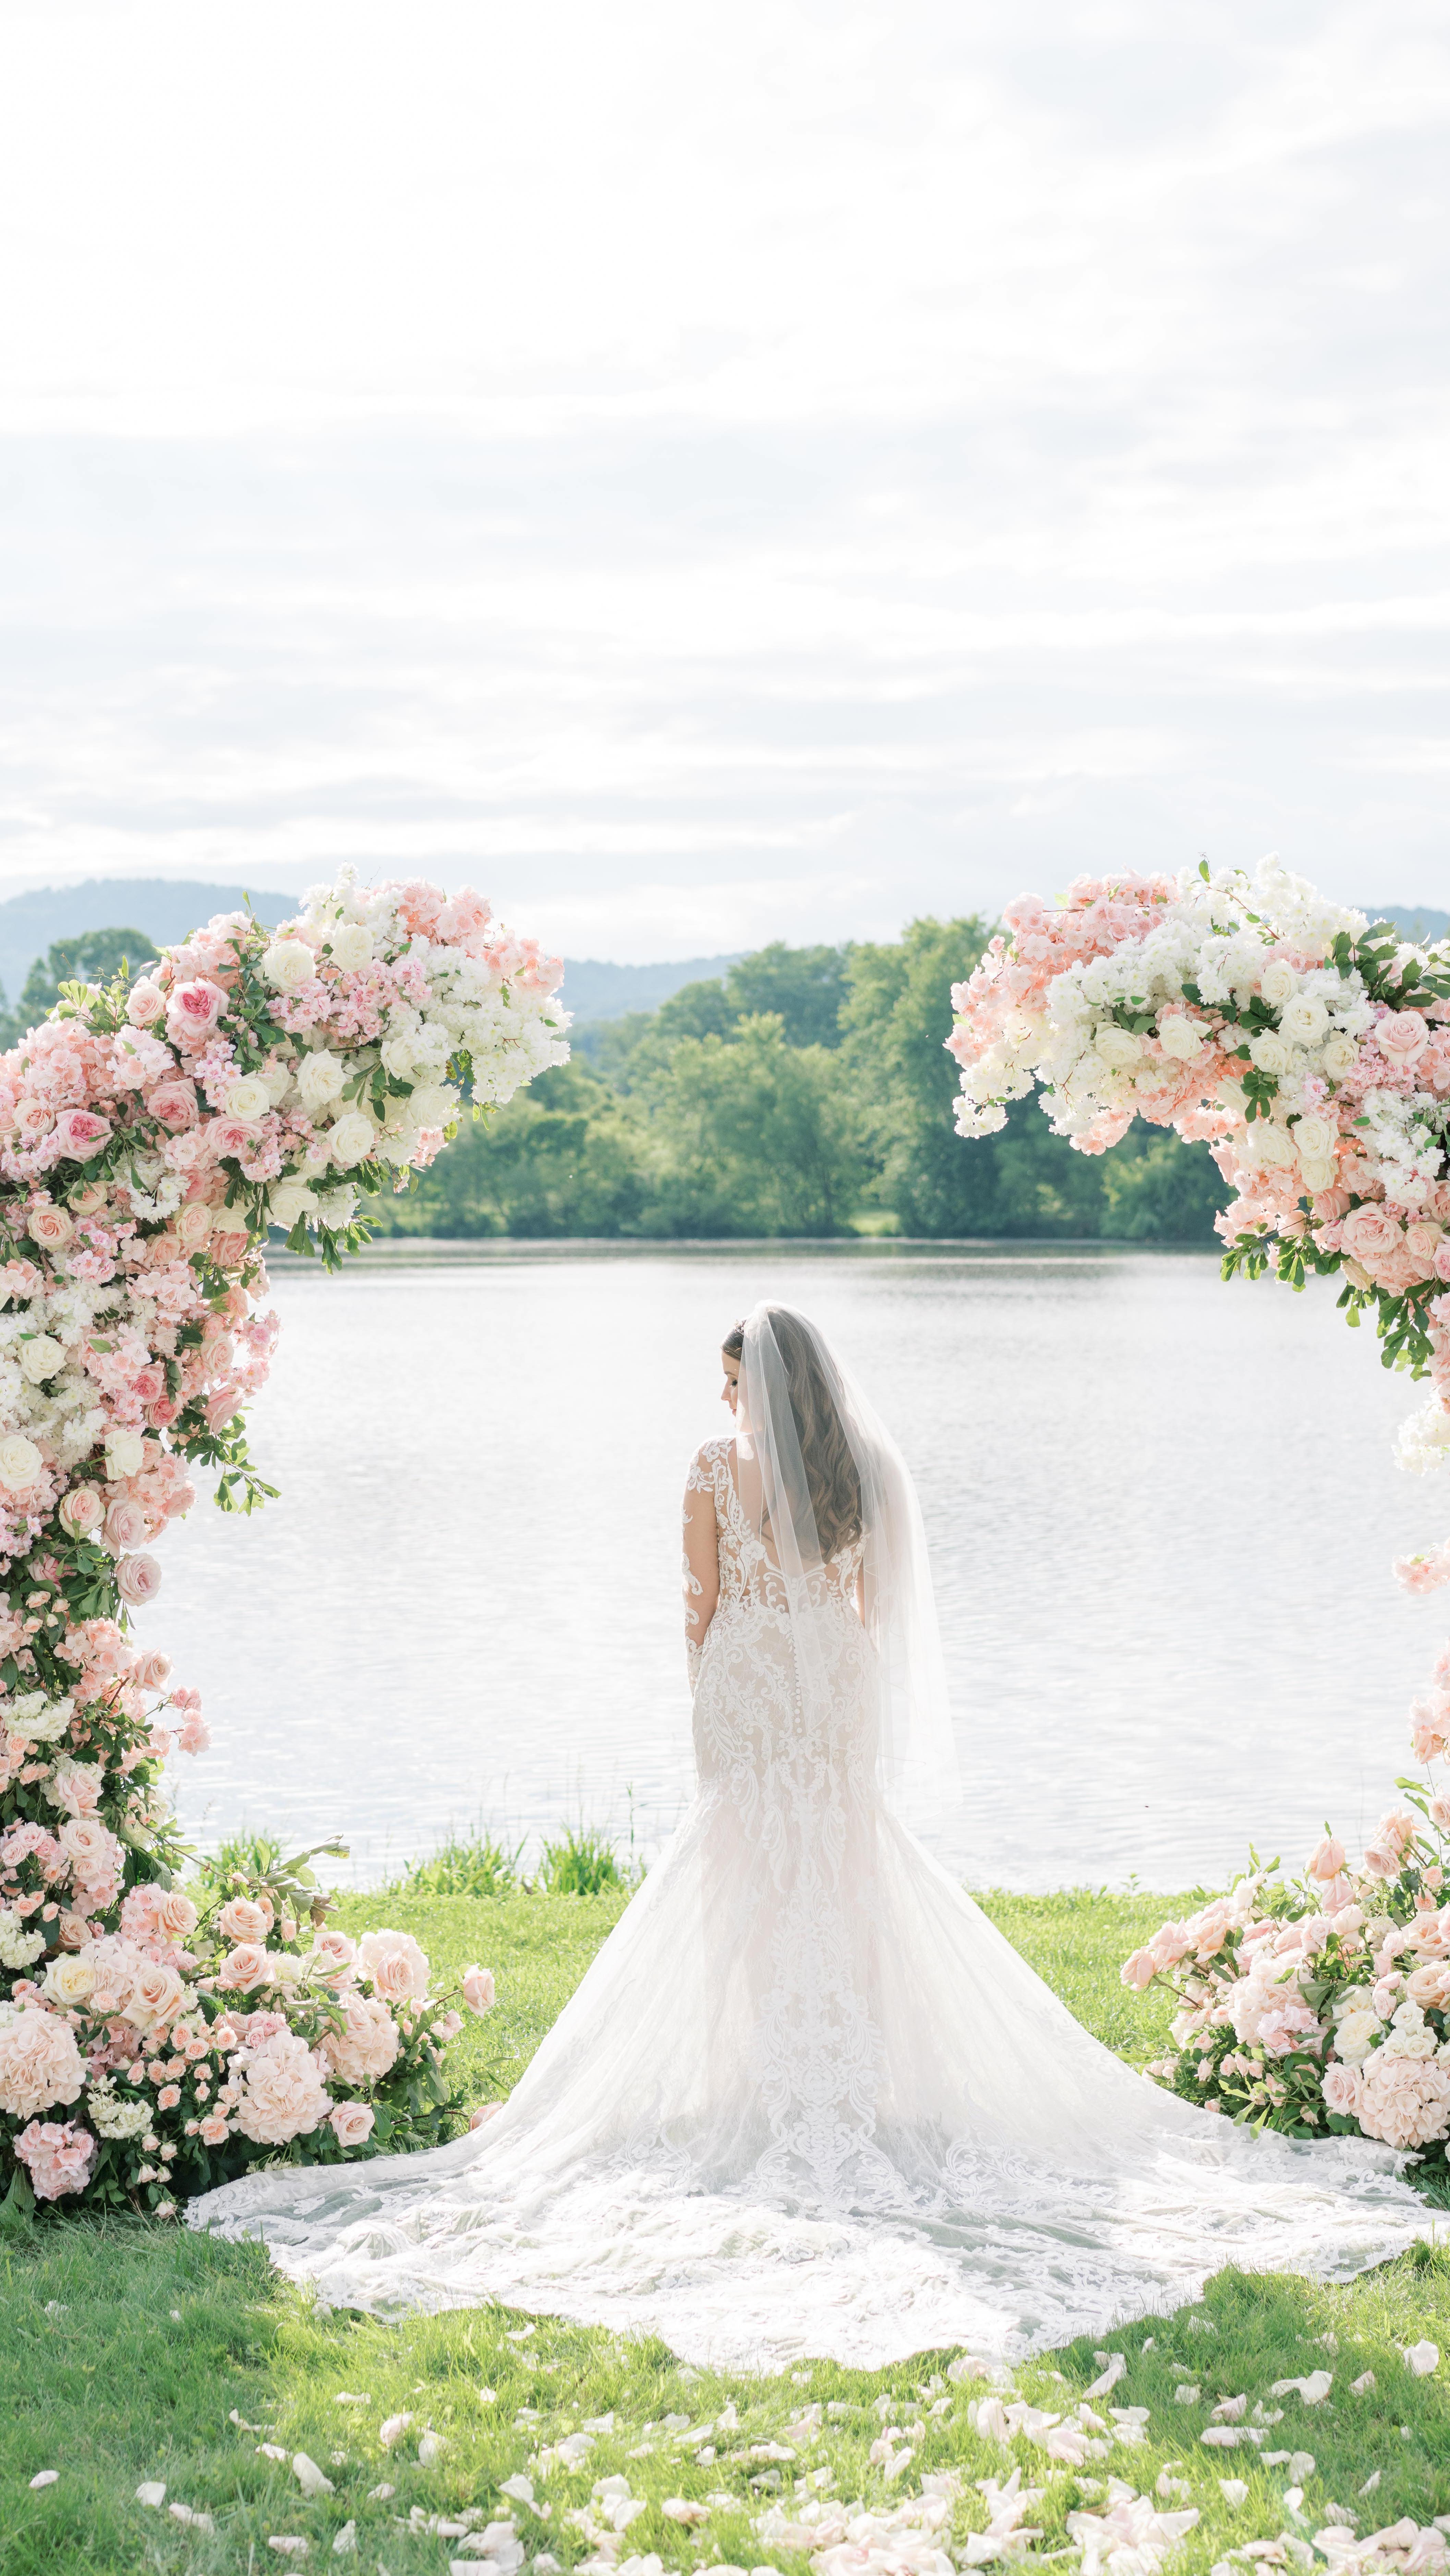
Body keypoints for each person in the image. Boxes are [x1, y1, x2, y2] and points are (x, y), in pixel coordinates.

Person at [189, 1302, 1436, 2369]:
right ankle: (844, 2070)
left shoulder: (706, 1469)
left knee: (743, 1881)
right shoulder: (864, 1471)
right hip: (831, 1680)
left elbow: (699, 1604)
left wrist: (710, 1691)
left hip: (747, 1680)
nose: (728, 1401)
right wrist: (824, 1666)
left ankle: (768, 2078)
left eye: (734, 1383)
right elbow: (873, 1613)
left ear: (756, 1386)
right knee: (843, 1869)